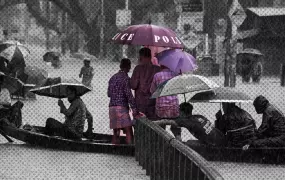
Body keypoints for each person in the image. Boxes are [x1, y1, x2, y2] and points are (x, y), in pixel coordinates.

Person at [154, 102, 226, 146]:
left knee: (174, 126)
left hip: (214, 144)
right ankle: (179, 142)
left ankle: (179, 145)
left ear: (182, 112)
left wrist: (153, 123)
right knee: (175, 125)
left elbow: (166, 122)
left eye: (179, 111)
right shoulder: (199, 116)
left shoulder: (185, 121)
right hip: (221, 138)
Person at [108, 58, 143, 144]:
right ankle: (130, 151)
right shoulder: (126, 78)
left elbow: (109, 94)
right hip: (122, 108)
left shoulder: (112, 77)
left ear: (120, 65)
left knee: (116, 133)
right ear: (129, 67)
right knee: (128, 131)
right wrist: (135, 109)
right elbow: (128, 95)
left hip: (112, 107)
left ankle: (114, 150)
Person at [150, 65, 181, 140]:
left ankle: (161, 140)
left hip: (161, 108)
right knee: (176, 127)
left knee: (161, 127)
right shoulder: (175, 74)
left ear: (160, 66)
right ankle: (178, 139)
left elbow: (152, 90)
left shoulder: (157, 75)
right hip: (174, 107)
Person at [130, 48, 160, 120]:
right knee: (153, 126)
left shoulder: (138, 69)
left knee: (140, 125)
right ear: (150, 56)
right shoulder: (157, 69)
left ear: (141, 56)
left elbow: (133, 85)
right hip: (154, 103)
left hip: (140, 103)